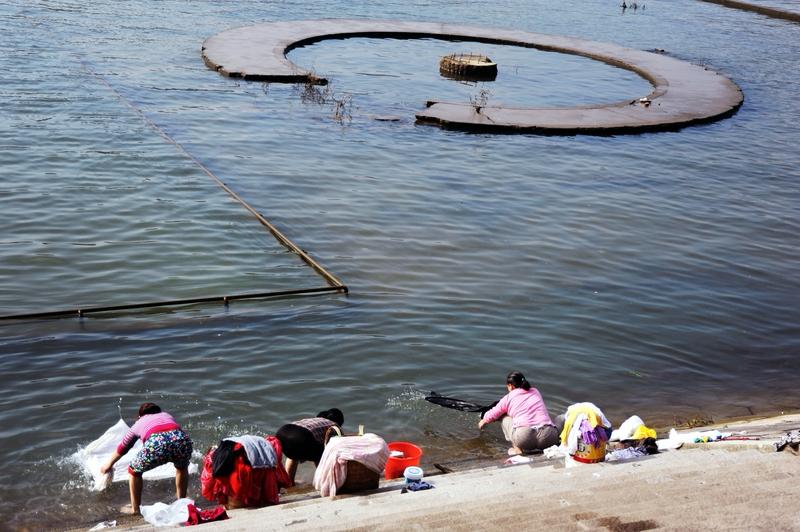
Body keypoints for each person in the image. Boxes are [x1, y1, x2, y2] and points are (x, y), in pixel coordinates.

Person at [100, 403, 193, 514]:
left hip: (157, 444)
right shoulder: (166, 415)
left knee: (134, 470)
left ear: (140, 416)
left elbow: (124, 447)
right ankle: (181, 502)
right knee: (181, 467)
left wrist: (109, 464)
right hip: (182, 441)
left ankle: (135, 509)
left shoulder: (139, 422)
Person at [478, 371, 559, 455]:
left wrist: (483, 421)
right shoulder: (535, 391)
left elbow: (494, 413)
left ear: (511, 386)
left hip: (525, 438)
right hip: (548, 437)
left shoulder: (508, 397)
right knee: (556, 420)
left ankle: (517, 449)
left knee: (505, 418)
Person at [275, 408, 343, 484]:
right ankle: (325, 482)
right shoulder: (334, 426)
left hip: (282, 432)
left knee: (293, 455)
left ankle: (289, 482)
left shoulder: (314, 420)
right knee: (322, 455)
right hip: (301, 436)